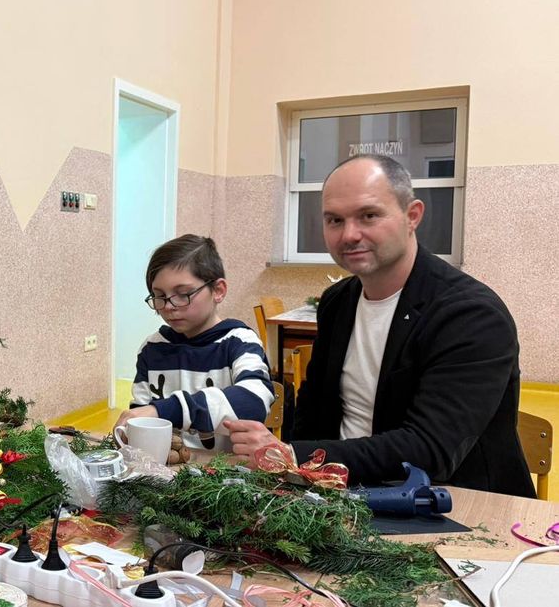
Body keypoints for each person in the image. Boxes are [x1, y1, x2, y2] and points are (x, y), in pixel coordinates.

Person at [227, 154, 535, 496]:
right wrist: (298, 483)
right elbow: (312, 411)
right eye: (334, 220)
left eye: (368, 215)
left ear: (412, 216)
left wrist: (294, 456)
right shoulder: (337, 302)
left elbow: (429, 451)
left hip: (451, 505)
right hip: (339, 495)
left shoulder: (472, 315)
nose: (349, 234)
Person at [115, 235, 274, 451]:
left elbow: (254, 401)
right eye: (159, 296)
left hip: (229, 467)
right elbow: (142, 415)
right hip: (168, 468)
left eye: (183, 294)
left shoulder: (239, 342)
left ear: (218, 290)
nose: (169, 306)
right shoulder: (152, 348)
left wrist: (166, 410)